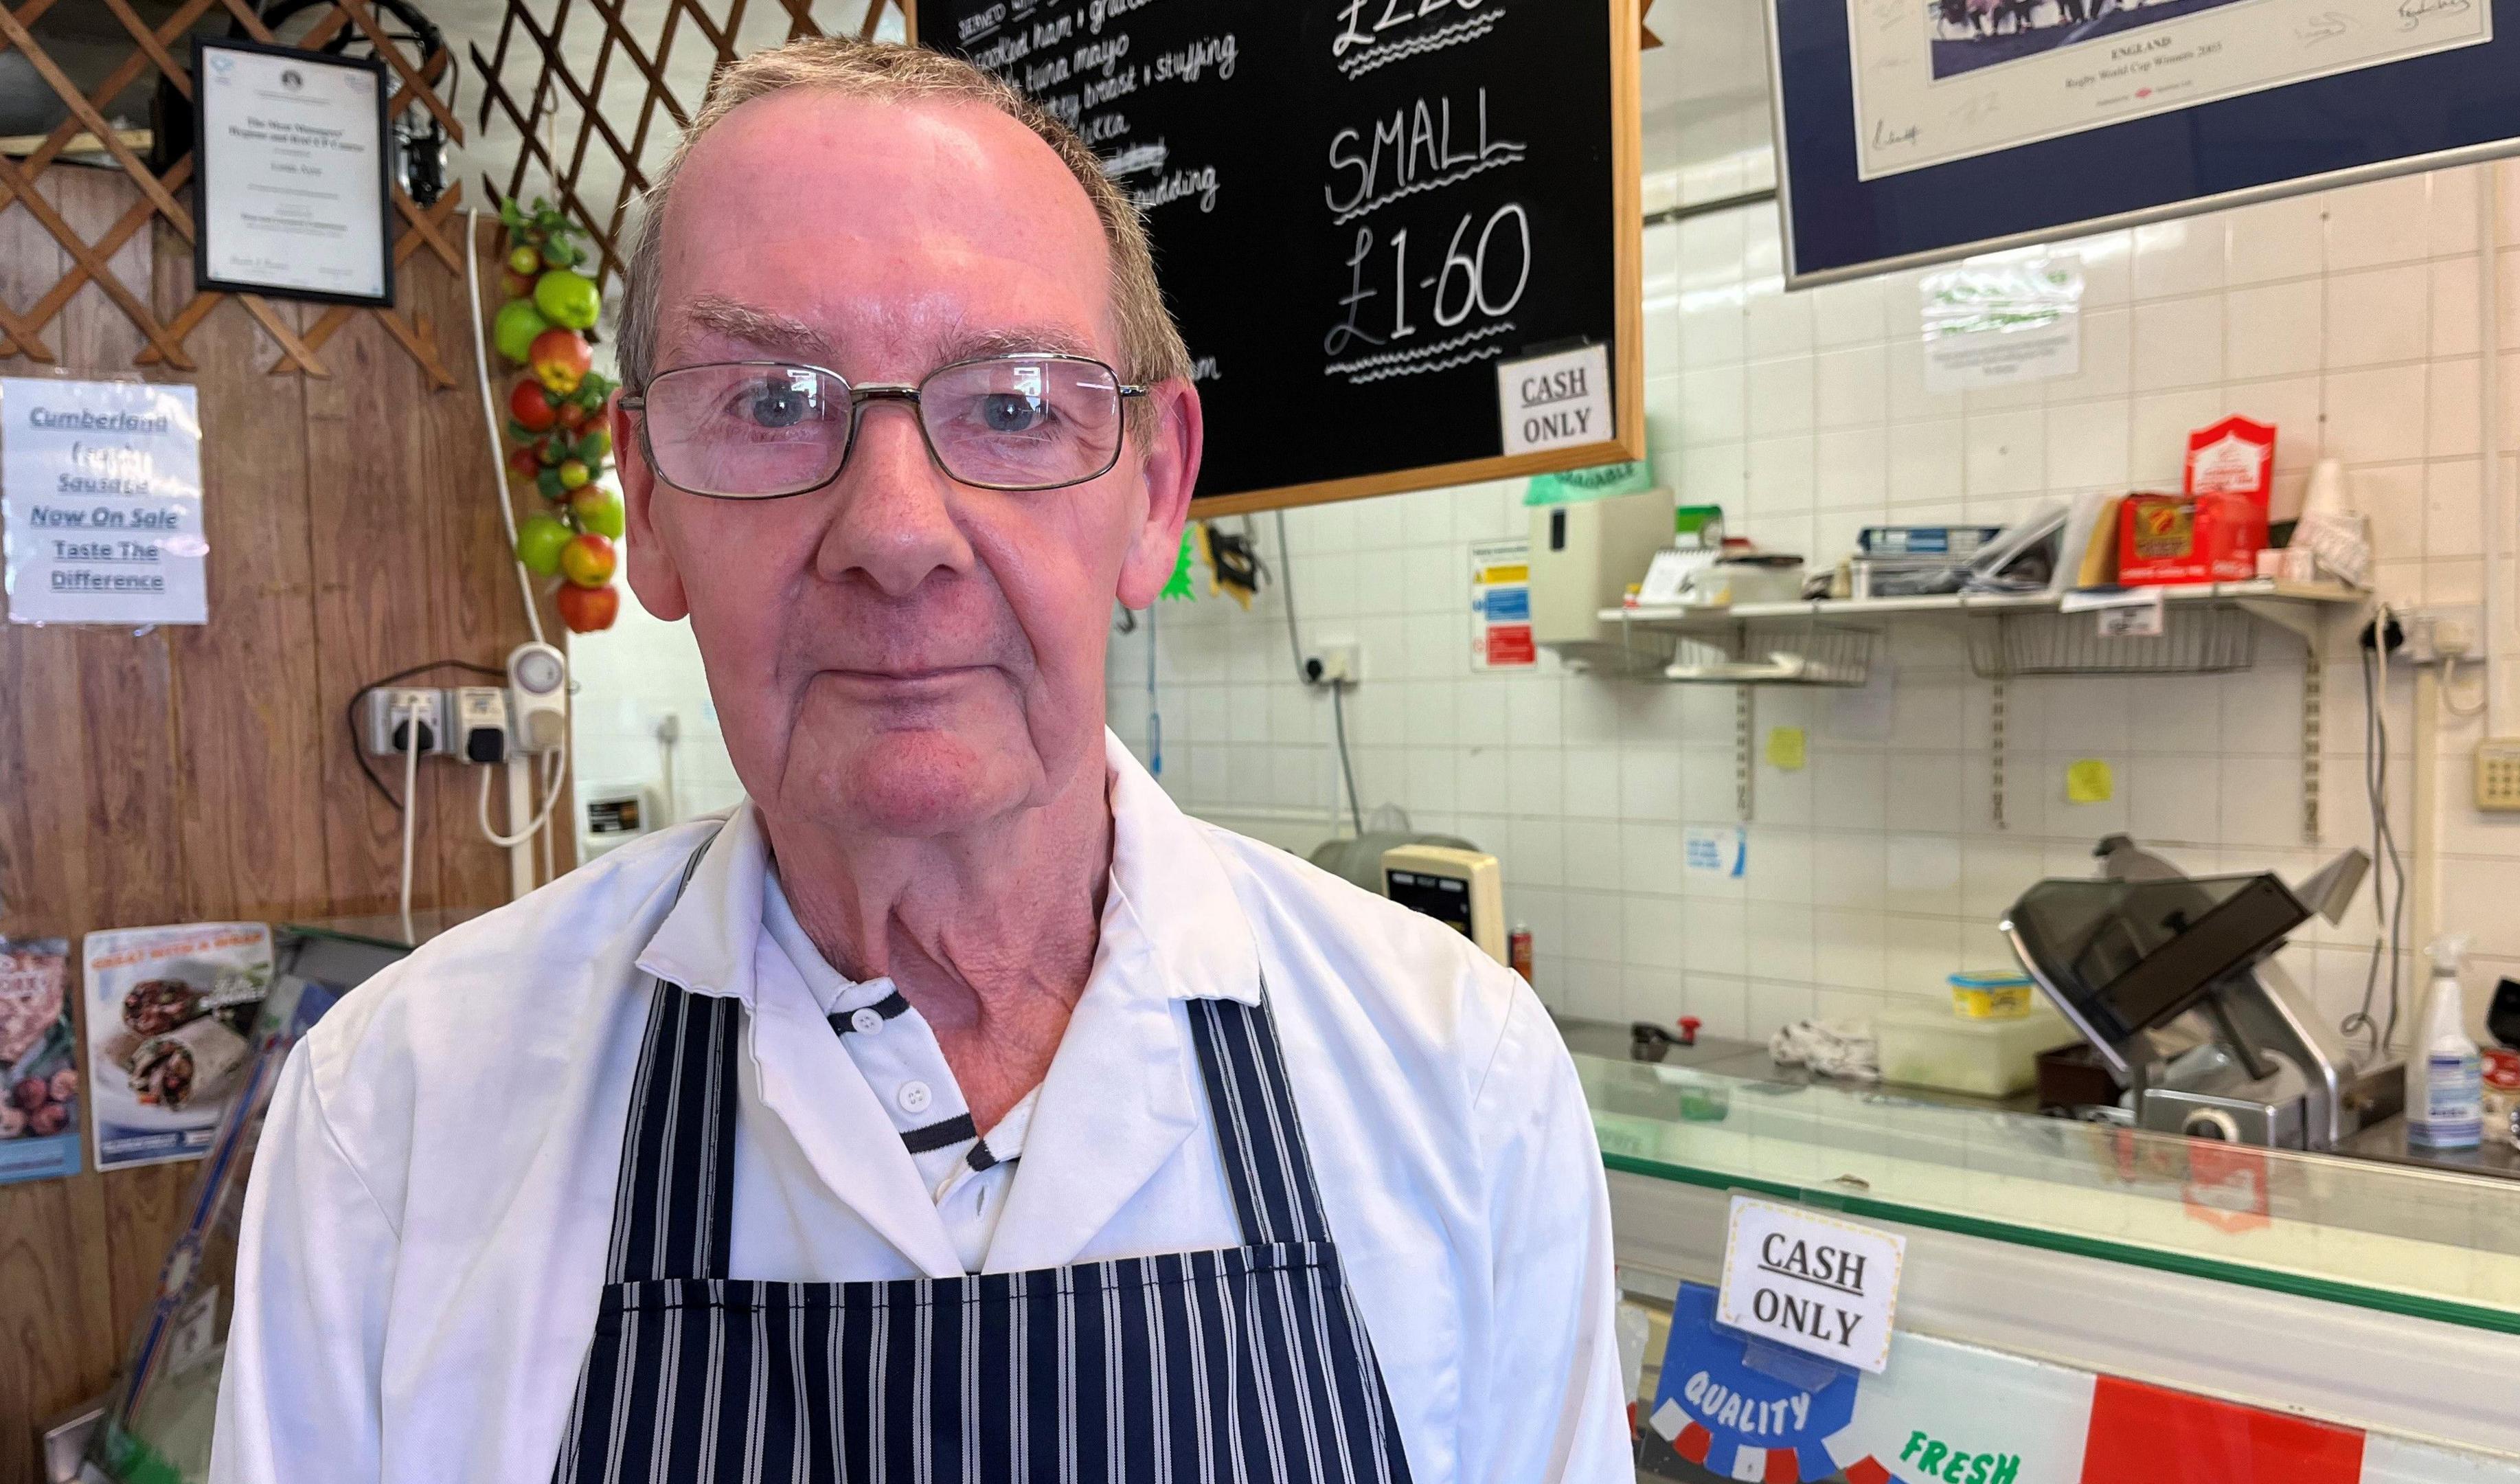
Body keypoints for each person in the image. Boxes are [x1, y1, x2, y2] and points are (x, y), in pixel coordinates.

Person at [213, 36, 1631, 1484]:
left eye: (1012, 406)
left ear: (1153, 494)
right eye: (769, 403)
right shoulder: (394, 1117)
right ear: (643, 501)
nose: (896, 533)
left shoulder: (1459, 1082)